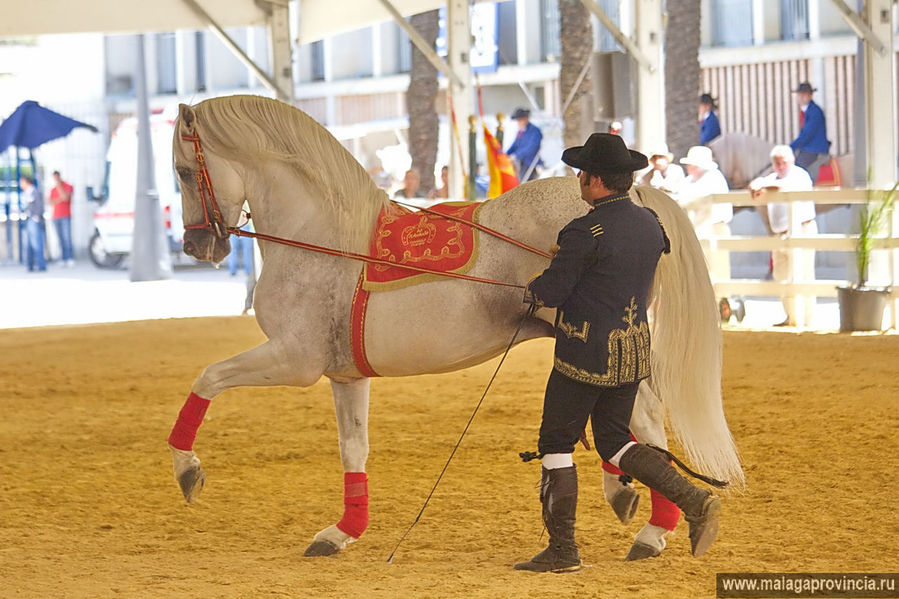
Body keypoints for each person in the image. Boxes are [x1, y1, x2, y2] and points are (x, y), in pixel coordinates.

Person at [513, 133, 722, 573]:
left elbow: (553, 290)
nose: (578, 178)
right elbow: (622, 262)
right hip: (631, 351)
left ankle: (563, 550)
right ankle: (693, 499)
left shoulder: (582, 231)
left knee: (555, 443)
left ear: (594, 180)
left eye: (581, 172)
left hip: (584, 353)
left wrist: (533, 286)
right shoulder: (649, 222)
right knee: (615, 441)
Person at [749, 145, 816, 326]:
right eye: (776, 162)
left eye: (783, 161)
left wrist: (761, 184)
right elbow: (757, 184)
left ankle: (806, 318)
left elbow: (784, 187)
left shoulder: (799, 175)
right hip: (779, 233)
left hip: (800, 229)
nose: (780, 165)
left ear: (791, 161)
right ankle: (791, 315)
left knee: (802, 273)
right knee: (781, 275)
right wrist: (757, 184)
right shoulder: (770, 178)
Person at [676, 145, 732, 281]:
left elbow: (694, 199)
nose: (688, 167)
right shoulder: (689, 180)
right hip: (696, 229)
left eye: (691, 164)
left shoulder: (713, 178)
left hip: (714, 227)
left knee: (716, 268)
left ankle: (721, 299)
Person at [789, 82, 830, 183]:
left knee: (797, 168)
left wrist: (790, 147)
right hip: (808, 147)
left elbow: (807, 135)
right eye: (800, 95)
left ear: (810, 95)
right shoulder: (806, 111)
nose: (801, 97)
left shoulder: (815, 111)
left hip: (814, 148)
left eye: (804, 95)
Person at [506, 107, 542, 182]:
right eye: (517, 121)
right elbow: (515, 145)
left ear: (526, 118)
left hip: (531, 163)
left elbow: (531, 147)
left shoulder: (535, 131)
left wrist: (515, 155)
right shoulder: (521, 131)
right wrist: (505, 155)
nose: (518, 122)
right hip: (521, 162)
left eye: (520, 120)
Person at [48, 170, 75, 266]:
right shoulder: (52, 189)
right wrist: (60, 199)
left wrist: (59, 187)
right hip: (56, 217)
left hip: (65, 216)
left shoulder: (68, 186)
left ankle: (70, 258)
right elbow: (50, 202)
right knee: (60, 239)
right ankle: (63, 258)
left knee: (67, 238)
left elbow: (66, 197)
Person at [20, 176, 47, 272]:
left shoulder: (35, 192)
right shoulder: (25, 193)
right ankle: (30, 265)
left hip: (34, 220)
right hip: (28, 220)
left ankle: (41, 265)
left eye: (22, 182)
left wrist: (36, 217)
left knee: (37, 244)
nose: (20, 184)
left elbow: (40, 206)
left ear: (27, 182)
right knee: (28, 244)